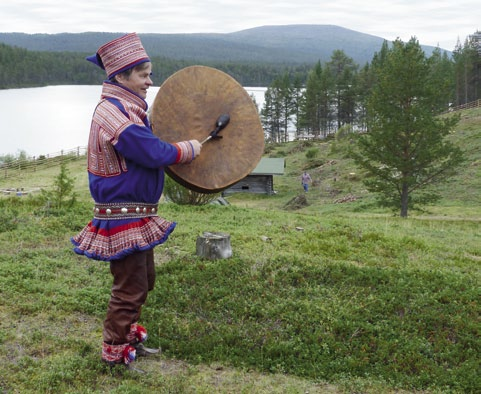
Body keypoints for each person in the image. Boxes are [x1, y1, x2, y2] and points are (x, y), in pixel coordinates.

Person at [71, 33, 202, 370]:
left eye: (150, 73)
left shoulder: (127, 108)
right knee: (129, 287)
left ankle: (128, 338)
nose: (149, 81)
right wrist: (187, 149)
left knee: (143, 281)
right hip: (122, 214)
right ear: (120, 76)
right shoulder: (113, 113)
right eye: (143, 75)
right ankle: (114, 352)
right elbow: (149, 150)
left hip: (135, 212)